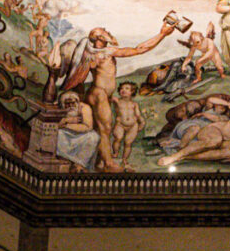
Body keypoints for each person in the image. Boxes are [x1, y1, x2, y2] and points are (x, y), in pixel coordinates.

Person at [60, 20, 175, 170]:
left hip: (102, 95)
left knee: (101, 129)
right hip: (98, 94)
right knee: (104, 129)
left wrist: (162, 35)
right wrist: (162, 34)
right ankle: (108, 163)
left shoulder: (99, 53)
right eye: (104, 31)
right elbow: (139, 49)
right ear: (99, 38)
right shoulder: (102, 54)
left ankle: (100, 162)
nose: (108, 31)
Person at [55, 91, 100, 172]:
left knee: (93, 137)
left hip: (82, 135)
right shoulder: (57, 107)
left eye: (73, 103)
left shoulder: (84, 108)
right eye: (67, 104)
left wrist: (66, 125)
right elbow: (55, 126)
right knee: (58, 134)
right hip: (64, 134)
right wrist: (67, 120)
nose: (71, 106)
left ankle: (79, 165)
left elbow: (88, 127)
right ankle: (65, 160)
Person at [111, 82, 144, 169]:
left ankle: (125, 159)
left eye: (127, 88)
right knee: (117, 138)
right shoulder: (117, 100)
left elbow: (138, 115)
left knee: (128, 143)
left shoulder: (134, 104)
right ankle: (115, 153)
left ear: (132, 92)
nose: (123, 90)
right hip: (120, 124)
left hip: (133, 126)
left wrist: (142, 122)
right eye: (121, 88)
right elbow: (107, 97)